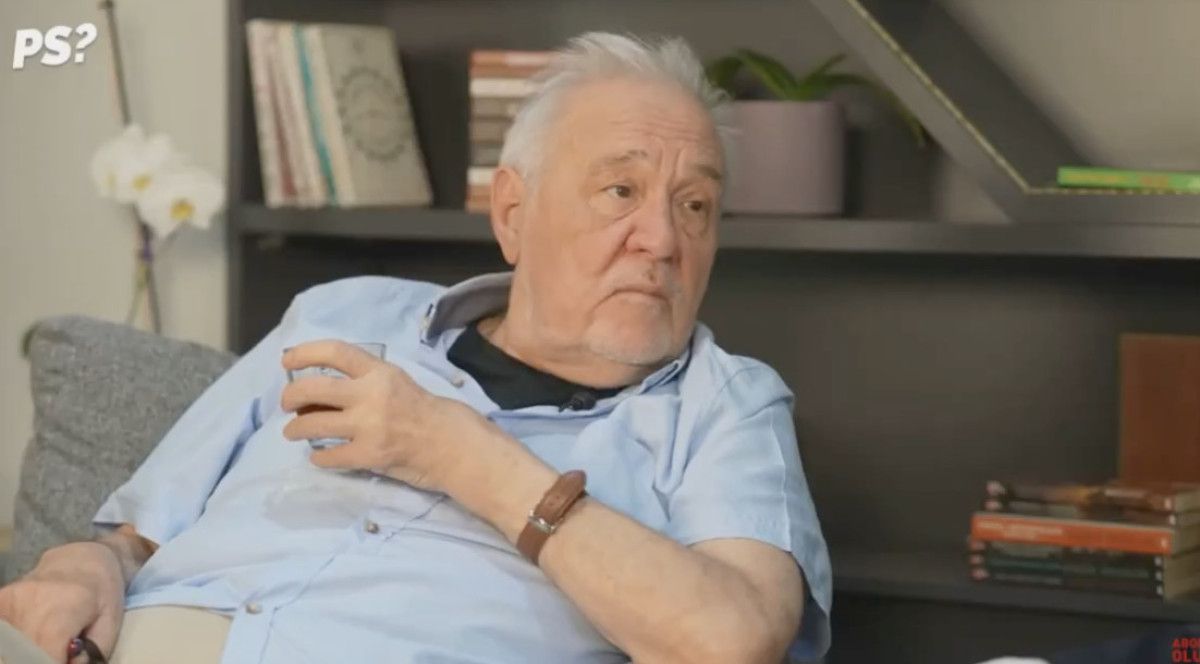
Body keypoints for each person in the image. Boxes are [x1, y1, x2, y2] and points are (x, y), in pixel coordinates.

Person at [0, 31, 831, 664]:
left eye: (694, 206)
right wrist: (88, 564)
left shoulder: (723, 407)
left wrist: (454, 451)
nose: (662, 238)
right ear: (513, 213)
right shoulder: (344, 314)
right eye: (622, 190)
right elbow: (139, 534)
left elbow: (731, 642)